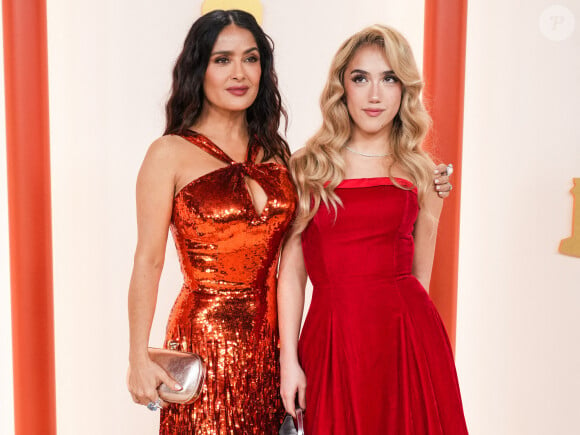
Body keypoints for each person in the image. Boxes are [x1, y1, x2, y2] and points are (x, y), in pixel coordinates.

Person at [278, 25, 468, 434]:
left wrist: (416, 349)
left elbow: (420, 279)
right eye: (360, 78)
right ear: (341, 87)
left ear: (404, 90)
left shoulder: (424, 173)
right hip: (331, 340)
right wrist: (287, 361)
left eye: (389, 78)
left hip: (405, 341)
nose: (375, 94)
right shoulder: (307, 167)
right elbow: (291, 274)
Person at [126, 10, 297, 433]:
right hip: (203, 343)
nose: (239, 73)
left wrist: (425, 179)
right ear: (197, 68)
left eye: (251, 58)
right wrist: (137, 358)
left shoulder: (277, 152)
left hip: (270, 346)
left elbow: (297, 255)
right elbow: (148, 261)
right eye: (222, 60)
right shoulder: (168, 153)